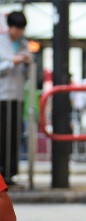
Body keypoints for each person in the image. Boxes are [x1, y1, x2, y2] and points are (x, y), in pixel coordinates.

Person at [0, 11, 31, 186]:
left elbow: (29, 70)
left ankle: (11, 173)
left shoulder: (24, 44)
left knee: (14, 135)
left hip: (17, 97)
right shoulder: (1, 42)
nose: (18, 32)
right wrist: (12, 62)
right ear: (9, 27)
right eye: (16, 28)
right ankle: (1, 174)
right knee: (2, 136)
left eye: (21, 28)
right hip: (2, 96)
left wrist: (26, 62)